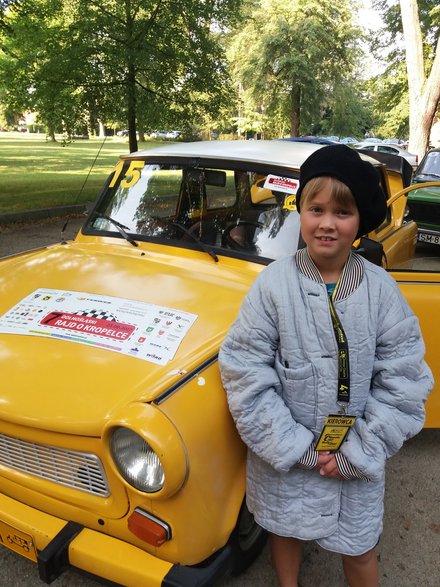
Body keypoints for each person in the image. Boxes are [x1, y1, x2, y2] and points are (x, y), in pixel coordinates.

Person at [218, 144, 433, 587]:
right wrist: (297, 447)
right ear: (300, 212)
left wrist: (357, 451)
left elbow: (404, 381)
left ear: (359, 221)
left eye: (342, 211)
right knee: (284, 529)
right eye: (316, 209)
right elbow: (244, 370)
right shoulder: (273, 285)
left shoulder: (381, 291)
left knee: (359, 546)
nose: (328, 223)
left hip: (359, 450)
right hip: (288, 457)